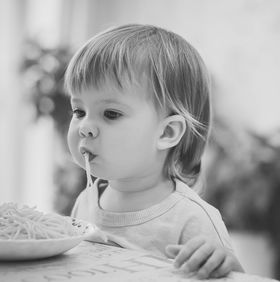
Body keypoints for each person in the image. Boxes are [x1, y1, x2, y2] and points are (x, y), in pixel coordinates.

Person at [64, 24, 244, 279]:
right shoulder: (86, 201)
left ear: (167, 133)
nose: (85, 128)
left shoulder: (190, 218)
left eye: (111, 114)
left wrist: (223, 263)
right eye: (79, 111)